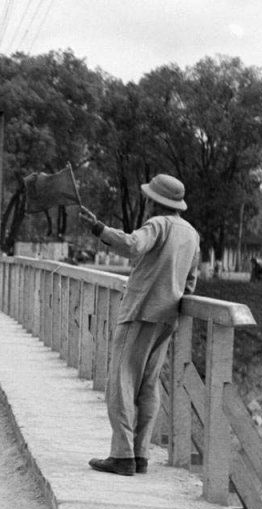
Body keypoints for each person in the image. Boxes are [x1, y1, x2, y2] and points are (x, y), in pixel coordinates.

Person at [79, 174, 200, 476]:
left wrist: (100, 229)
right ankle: (140, 453)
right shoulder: (191, 234)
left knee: (120, 383)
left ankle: (122, 455)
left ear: (153, 201)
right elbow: (191, 281)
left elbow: (133, 246)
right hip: (167, 317)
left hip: (140, 312)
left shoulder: (157, 225)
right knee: (148, 385)